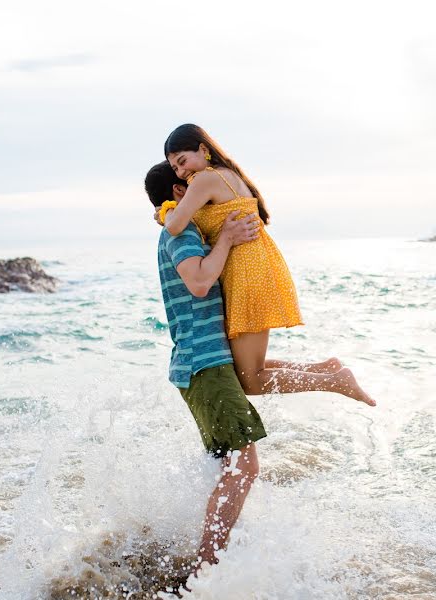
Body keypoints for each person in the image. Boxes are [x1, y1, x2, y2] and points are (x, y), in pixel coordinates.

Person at [159, 124, 376, 406]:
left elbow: (175, 226)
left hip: (247, 273)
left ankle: (335, 382)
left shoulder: (205, 180)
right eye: (174, 167)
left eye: (182, 161)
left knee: (250, 379)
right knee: (245, 367)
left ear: (203, 149)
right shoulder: (230, 176)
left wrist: (163, 211)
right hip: (256, 268)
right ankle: (325, 369)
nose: (180, 171)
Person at [145, 160, 267, 573]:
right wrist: (229, 239)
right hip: (205, 366)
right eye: (192, 183)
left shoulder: (182, 232)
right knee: (244, 467)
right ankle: (206, 569)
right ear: (179, 194)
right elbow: (199, 282)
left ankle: (212, 559)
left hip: (201, 366)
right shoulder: (181, 234)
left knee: (231, 468)